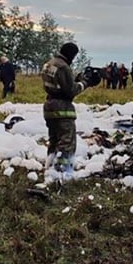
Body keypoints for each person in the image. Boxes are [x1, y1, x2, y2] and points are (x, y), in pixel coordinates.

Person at [41, 42, 92, 180]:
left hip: (49, 105)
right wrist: (85, 83)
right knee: (66, 141)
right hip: (62, 108)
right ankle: (62, 172)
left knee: (54, 139)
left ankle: (50, 167)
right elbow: (70, 91)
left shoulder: (49, 64)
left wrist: (74, 80)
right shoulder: (63, 67)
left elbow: (58, 84)